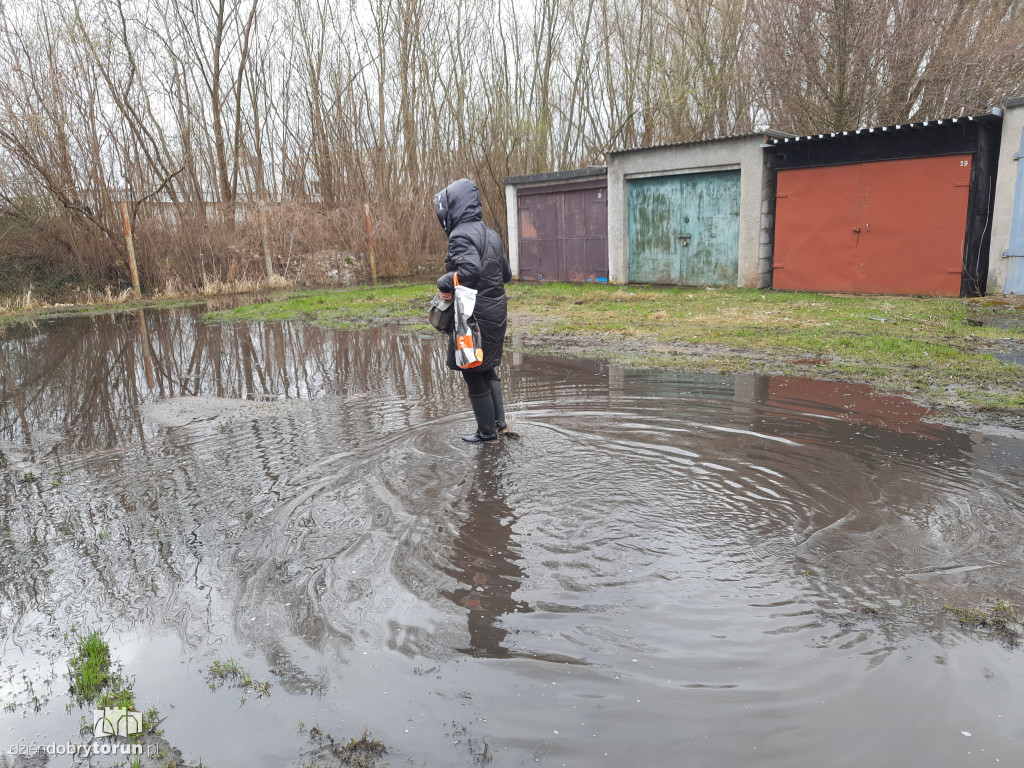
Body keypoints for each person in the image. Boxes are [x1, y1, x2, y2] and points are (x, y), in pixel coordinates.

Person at [434, 178, 512, 443]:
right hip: (496, 313)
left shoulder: (460, 235)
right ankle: (500, 425)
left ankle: (486, 433)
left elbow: (469, 271)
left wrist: (443, 282)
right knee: (486, 367)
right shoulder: (492, 234)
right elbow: (507, 274)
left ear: (454, 207)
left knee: (471, 369)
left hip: (474, 317)